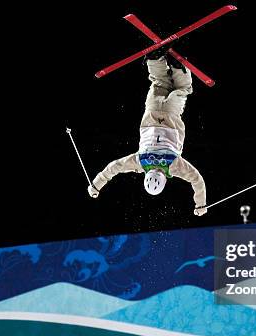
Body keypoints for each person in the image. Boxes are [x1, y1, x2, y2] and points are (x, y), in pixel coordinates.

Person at [87, 49, 207, 216]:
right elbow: (114, 168)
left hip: (171, 116)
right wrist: (96, 185)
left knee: (182, 89)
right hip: (152, 112)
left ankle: (177, 67)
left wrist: (201, 205)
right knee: (160, 83)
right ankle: (155, 60)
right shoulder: (139, 162)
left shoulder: (174, 166)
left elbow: (197, 180)